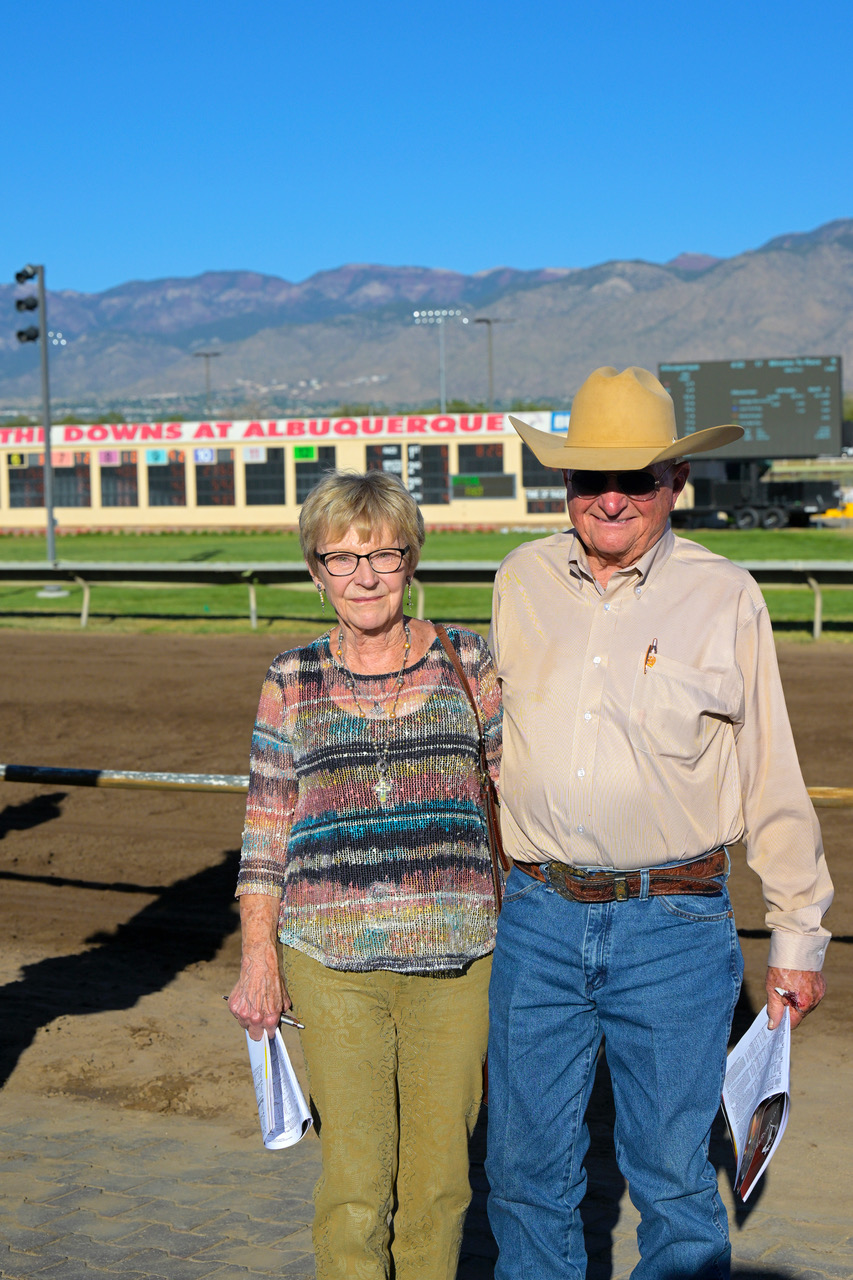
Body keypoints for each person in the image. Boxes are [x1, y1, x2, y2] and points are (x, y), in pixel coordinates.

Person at [485, 366, 833, 1279]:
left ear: (674, 483)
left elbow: (771, 776)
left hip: (672, 927)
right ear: (561, 486)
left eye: (635, 477)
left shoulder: (726, 596)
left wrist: (797, 933)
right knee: (522, 1175)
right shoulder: (518, 581)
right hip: (536, 915)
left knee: (674, 1182)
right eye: (587, 478)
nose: (610, 498)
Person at [228, 469, 502, 1280]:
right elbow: (265, 829)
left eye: (383, 553)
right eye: (341, 559)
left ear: (411, 558)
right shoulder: (291, 679)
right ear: (315, 572)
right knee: (354, 1183)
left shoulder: (468, 660)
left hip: (458, 964)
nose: (365, 576)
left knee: (441, 1184)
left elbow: (517, 801)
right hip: (329, 963)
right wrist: (257, 959)